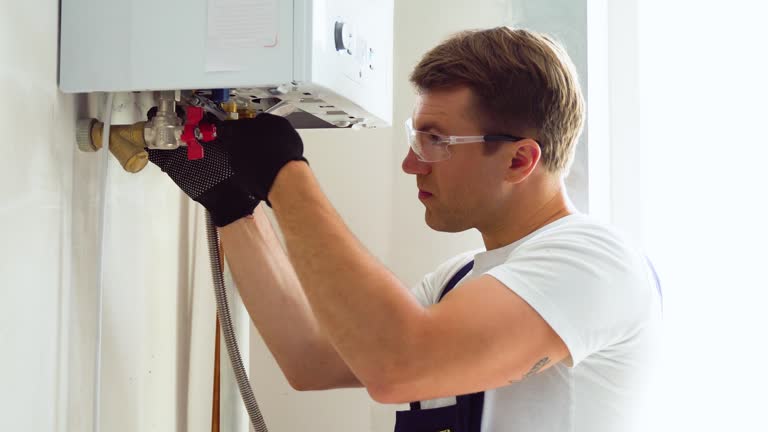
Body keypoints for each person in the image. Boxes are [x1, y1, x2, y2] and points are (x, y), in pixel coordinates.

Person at [149, 27, 661, 432]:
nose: (411, 165)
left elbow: (400, 366)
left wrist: (285, 173)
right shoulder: (459, 280)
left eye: (436, 141)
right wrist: (234, 206)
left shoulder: (595, 262)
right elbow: (312, 360)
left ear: (520, 160)